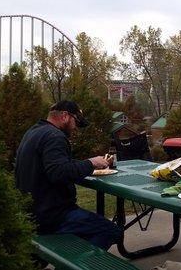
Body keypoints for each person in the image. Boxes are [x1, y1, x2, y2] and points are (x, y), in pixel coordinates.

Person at [15, 100, 122, 250]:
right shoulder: (55, 136)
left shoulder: (34, 132)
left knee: (90, 229)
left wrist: (89, 163)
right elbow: (59, 173)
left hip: (32, 211)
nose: (76, 128)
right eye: (76, 122)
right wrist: (91, 164)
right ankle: (76, 265)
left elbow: (55, 165)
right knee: (112, 230)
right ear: (65, 116)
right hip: (52, 216)